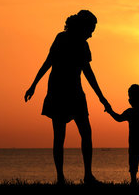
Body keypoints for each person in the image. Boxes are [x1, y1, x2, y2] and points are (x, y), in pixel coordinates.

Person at [24, 10, 110, 185]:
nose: (92, 33)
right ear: (83, 26)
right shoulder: (61, 39)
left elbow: (88, 73)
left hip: (75, 92)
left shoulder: (83, 45)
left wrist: (101, 97)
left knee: (85, 132)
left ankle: (87, 176)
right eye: (91, 29)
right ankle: (61, 178)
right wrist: (34, 84)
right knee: (60, 135)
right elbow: (48, 62)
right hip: (59, 92)